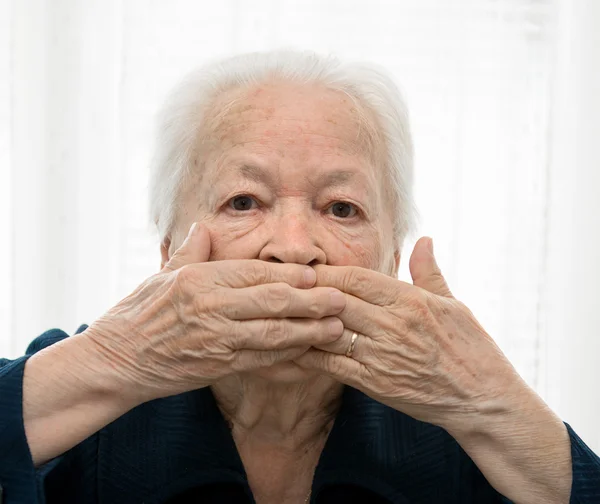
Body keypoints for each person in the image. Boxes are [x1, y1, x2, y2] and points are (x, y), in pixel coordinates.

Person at [0, 50, 599, 504]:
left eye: (341, 208)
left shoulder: (456, 424)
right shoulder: (78, 385)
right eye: (243, 201)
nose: (292, 250)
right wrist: (114, 360)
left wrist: (491, 404)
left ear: (390, 260)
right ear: (168, 252)